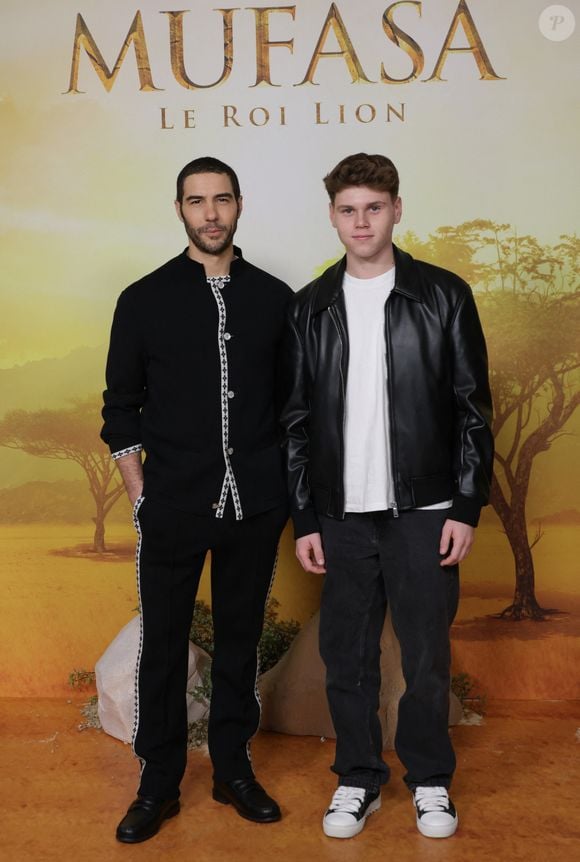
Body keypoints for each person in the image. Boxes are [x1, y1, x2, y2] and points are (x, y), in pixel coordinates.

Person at [281, 153, 493, 840]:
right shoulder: (310, 308)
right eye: (348, 209)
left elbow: (472, 409)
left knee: (427, 656)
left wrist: (464, 506)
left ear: (397, 210)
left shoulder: (443, 296)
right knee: (348, 656)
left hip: (425, 512)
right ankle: (358, 779)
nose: (361, 221)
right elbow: (295, 422)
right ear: (333, 216)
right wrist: (305, 516)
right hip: (341, 517)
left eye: (374, 207)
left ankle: (430, 780)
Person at [101, 157, 292, 843]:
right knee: (164, 645)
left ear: (239, 205)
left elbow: (293, 405)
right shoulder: (143, 299)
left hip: (257, 504)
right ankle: (157, 782)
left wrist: (289, 493)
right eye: (196, 201)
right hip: (174, 503)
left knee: (240, 642)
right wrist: (139, 489)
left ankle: (233, 768)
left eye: (221, 199)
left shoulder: (276, 298)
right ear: (179, 209)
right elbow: (120, 407)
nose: (210, 213)